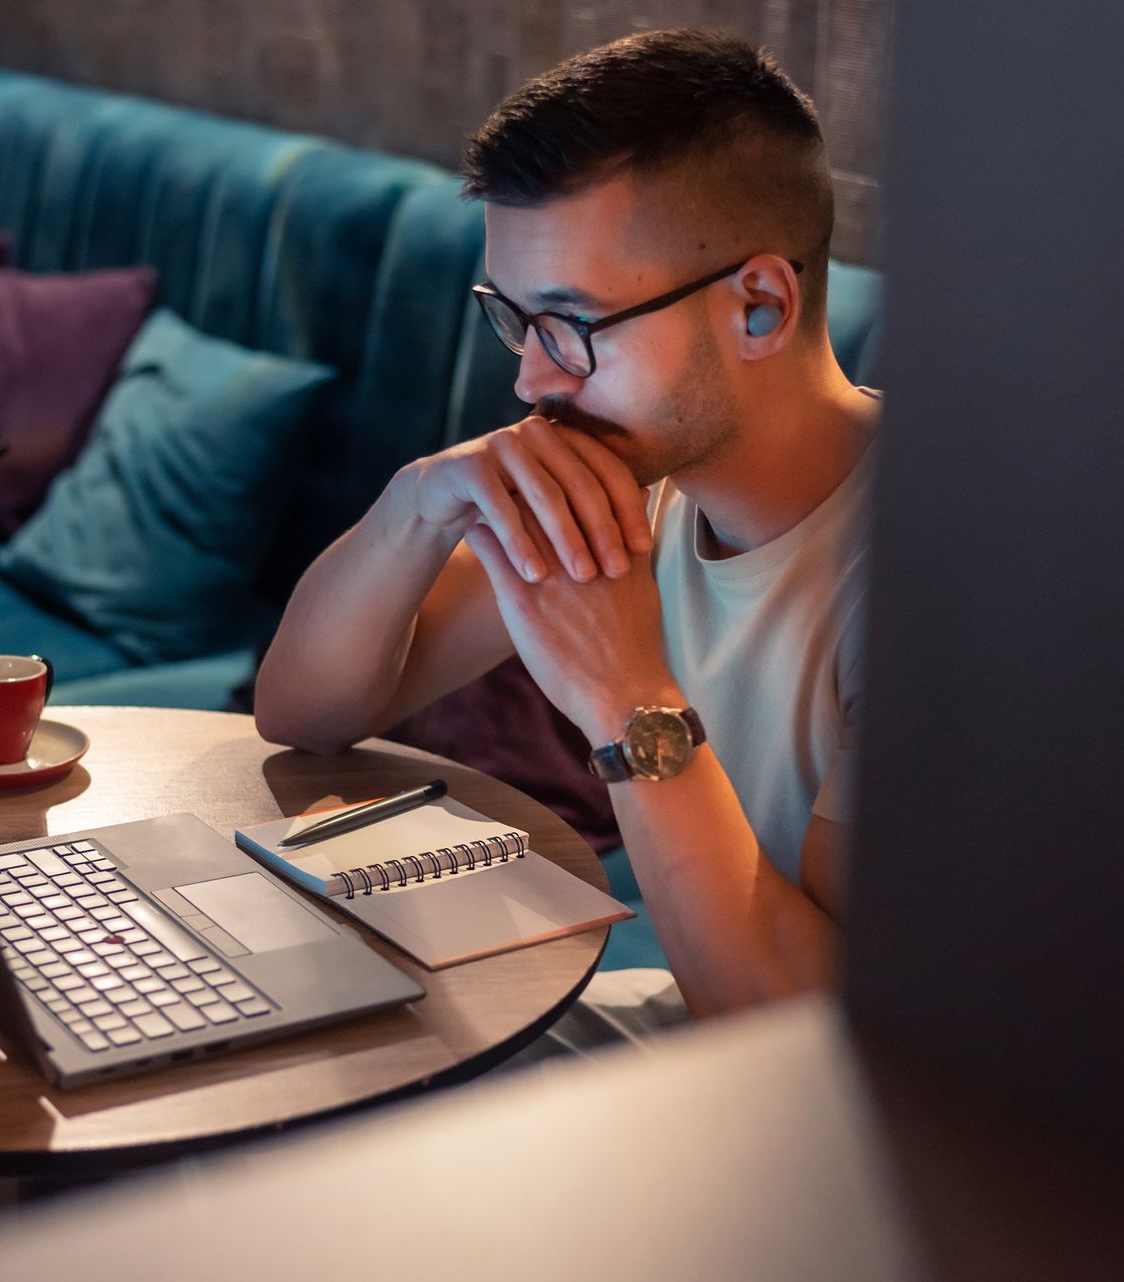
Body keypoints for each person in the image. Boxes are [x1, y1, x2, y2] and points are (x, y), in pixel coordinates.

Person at [254, 29, 876, 1031]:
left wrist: (629, 701)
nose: (531, 379)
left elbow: (812, 1035)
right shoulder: (631, 477)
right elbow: (302, 711)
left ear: (758, 305)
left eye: (571, 324)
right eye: (515, 316)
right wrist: (419, 501)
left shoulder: (935, 581)